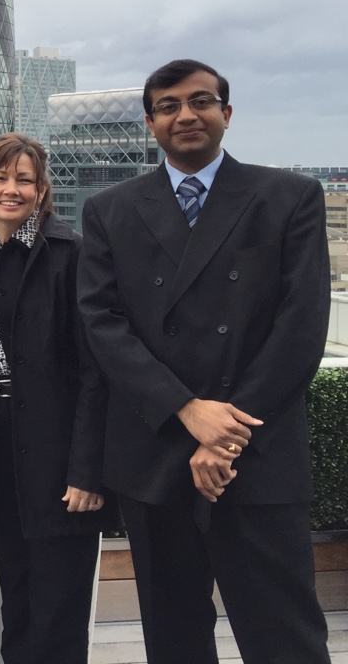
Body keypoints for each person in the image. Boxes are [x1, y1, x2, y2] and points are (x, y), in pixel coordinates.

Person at [78, 59, 332, 664]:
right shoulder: (109, 209)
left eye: (200, 101)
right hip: (156, 453)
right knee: (174, 640)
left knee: (285, 636)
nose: (185, 115)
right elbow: (102, 324)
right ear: (149, 124)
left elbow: (301, 325)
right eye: (167, 106)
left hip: (257, 451)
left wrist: (227, 433)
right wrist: (188, 410)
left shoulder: (288, 196)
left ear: (227, 113)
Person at [0, 133, 113, 664]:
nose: (11, 189)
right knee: (17, 593)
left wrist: (87, 470)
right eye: (0, 177)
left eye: (24, 180)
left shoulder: (70, 254)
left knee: (58, 602)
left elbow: (96, 371)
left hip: (57, 450)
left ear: (43, 190)